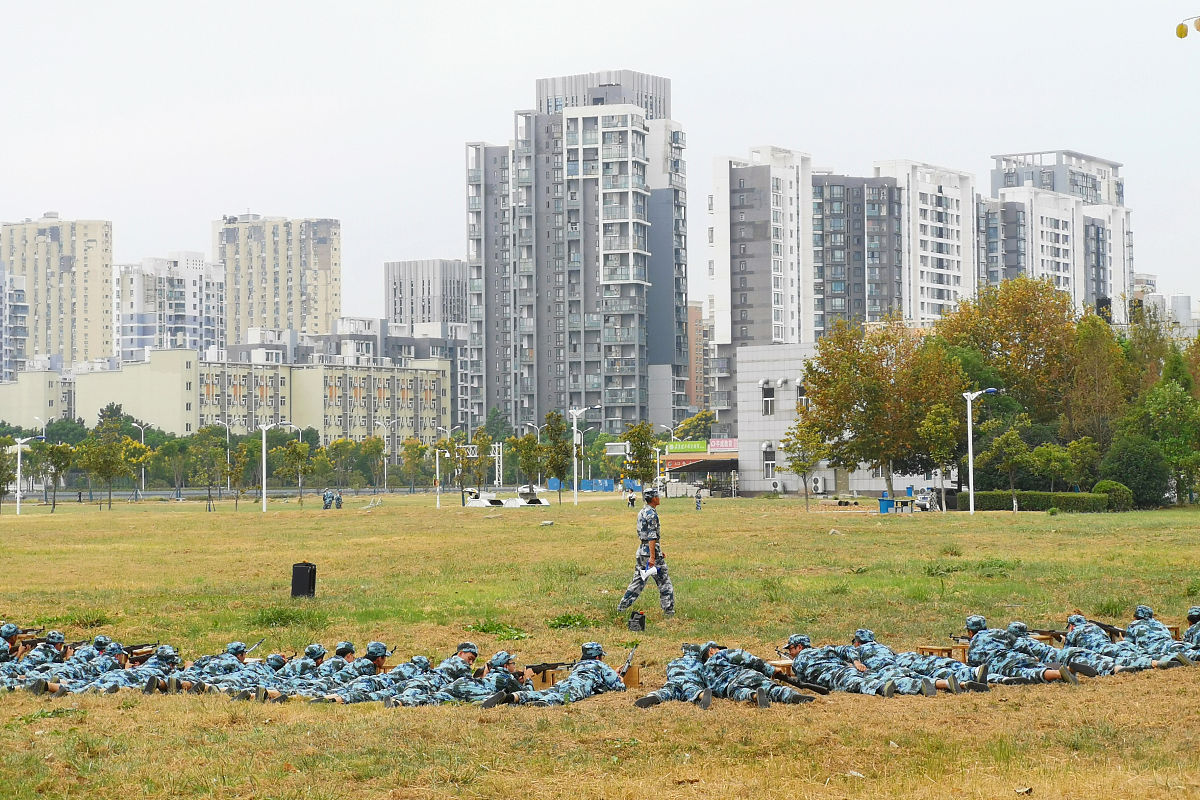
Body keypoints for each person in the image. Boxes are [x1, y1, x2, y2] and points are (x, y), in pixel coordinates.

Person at [483, 642, 626, 707]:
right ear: (597, 657)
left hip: (565, 682)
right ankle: (542, 704)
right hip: (580, 686)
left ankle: (512, 697)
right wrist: (619, 677)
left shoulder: (578, 665)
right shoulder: (600, 665)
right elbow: (619, 687)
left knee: (543, 692)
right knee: (563, 698)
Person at [616, 488, 675, 617]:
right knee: (664, 582)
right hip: (650, 555)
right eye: (657, 496)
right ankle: (669, 611)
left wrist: (658, 551)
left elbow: (645, 535)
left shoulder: (642, 511)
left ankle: (622, 607)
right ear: (653, 498)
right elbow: (652, 536)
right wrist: (653, 556)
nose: (659, 498)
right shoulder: (652, 514)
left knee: (638, 581)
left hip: (642, 552)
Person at [703, 642, 811, 706]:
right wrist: (771, 669)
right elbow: (747, 658)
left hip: (730, 688)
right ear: (711, 650)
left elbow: (713, 690)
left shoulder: (704, 672)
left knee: (743, 693)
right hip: (744, 675)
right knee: (772, 688)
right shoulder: (721, 654)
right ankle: (793, 696)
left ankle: (754, 696)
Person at [634, 643, 711, 709]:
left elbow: (669, 674)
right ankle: (702, 695)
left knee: (666, 692)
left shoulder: (674, 661)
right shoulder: (702, 664)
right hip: (691, 682)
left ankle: (653, 696)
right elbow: (706, 677)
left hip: (674, 681)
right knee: (693, 691)